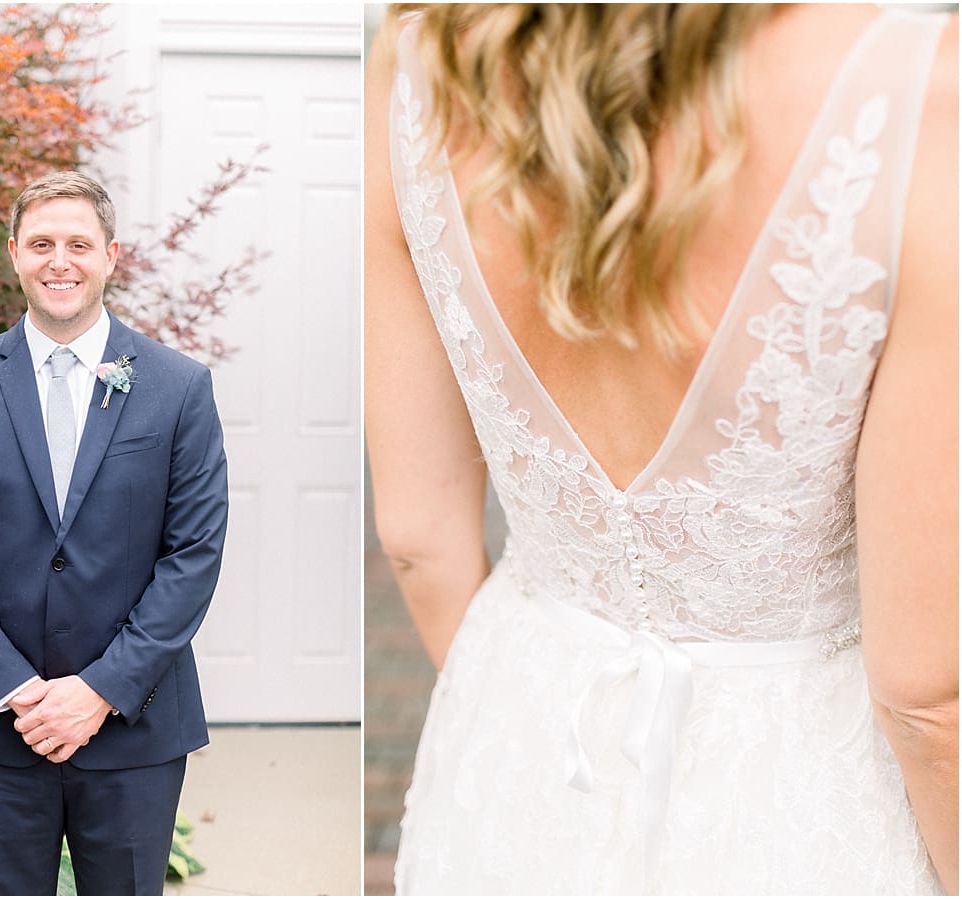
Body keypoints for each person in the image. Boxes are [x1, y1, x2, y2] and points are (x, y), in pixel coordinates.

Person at [365, 3, 956, 894]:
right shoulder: (925, 94)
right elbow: (925, 694)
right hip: (797, 802)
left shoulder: (419, 64)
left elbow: (418, 539)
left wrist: (515, 727)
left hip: (520, 755)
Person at [0, 170, 229, 895]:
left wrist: (99, 691)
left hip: (135, 727)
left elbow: (193, 555)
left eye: (79, 244)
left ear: (111, 255)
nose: (60, 261)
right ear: (14, 253)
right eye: (42, 243)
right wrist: (18, 690)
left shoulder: (178, 388)